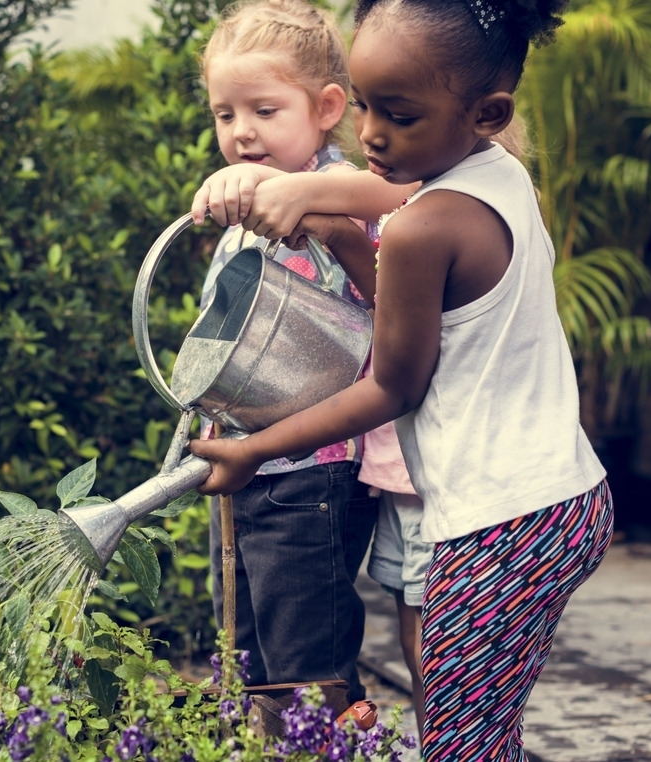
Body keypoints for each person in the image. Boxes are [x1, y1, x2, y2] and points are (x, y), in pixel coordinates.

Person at [189, 1, 615, 759]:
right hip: (565, 498)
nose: (372, 134)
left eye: (400, 114)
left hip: (499, 526)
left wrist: (257, 451)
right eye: (363, 104)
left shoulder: (422, 229)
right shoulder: (500, 175)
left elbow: (392, 386)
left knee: (460, 745)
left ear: (486, 112)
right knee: (485, 733)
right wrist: (316, 202)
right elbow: (390, 207)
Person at [193, 0, 380, 705]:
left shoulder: (345, 190)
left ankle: (331, 745)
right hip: (247, 468)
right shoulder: (243, 221)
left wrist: (283, 191)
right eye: (224, 114)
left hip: (312, 474)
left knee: (309, 654)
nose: (242, 134)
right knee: (244, 647)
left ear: (327, 106)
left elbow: (380, 212)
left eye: (264, 111)